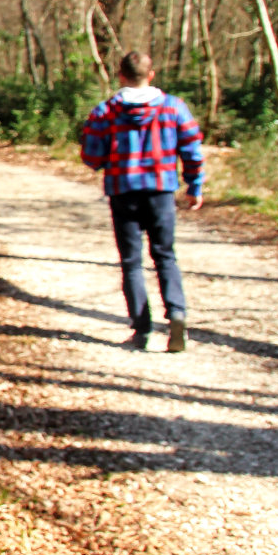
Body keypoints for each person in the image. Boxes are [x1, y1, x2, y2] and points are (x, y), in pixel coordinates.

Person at [80, 51, 206, 352]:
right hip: (161, 191)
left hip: (123, 192)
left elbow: (92, 157)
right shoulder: (174, 108)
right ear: (151, 74)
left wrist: (108, 155)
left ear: (121, 76)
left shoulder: (105, 111)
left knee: (131, 262)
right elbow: (192, 148)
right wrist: (194, 186)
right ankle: (176, 312)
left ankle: (142, 330)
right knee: (165, 255)